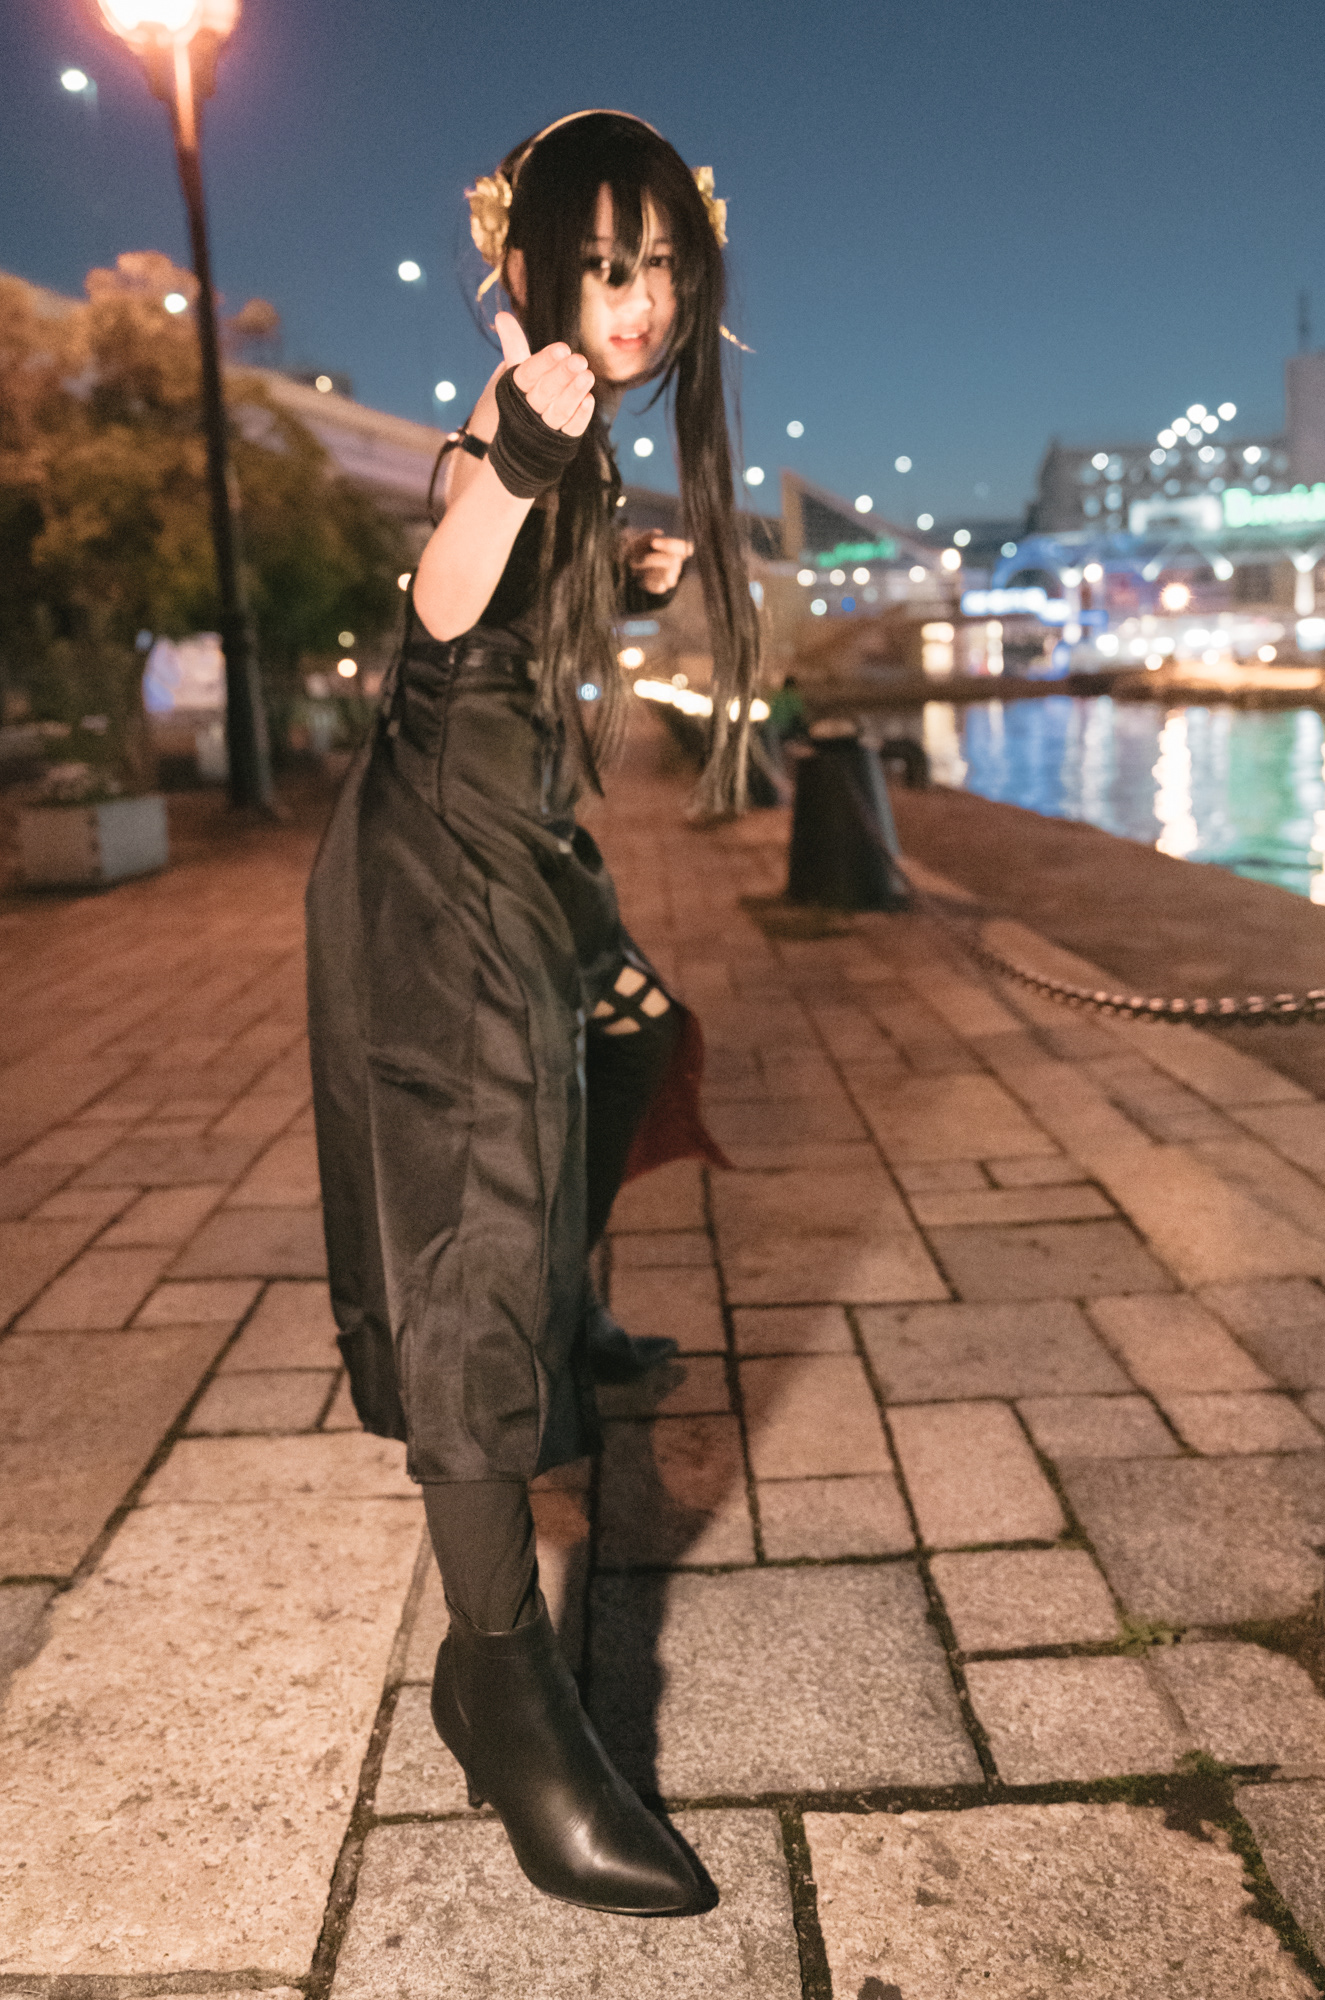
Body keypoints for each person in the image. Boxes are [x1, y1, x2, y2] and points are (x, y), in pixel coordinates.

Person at [305, 110, 758, 1916]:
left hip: (521, 841)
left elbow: (523, 580)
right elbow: (445, 584)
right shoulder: (512, 419)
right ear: (531, 266)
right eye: (601, 263)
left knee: (631, 1037)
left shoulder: (584, 440)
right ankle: (500, 1677)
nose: (634, 301)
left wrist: (617, 570)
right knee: (471, 1250)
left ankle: (562, 1315)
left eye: (660, 269)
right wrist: (514, 456)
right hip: (440, 869)